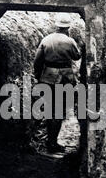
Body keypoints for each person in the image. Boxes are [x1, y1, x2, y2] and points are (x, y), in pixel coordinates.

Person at [33, 13, 82, 153]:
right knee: (59, 111)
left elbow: (37, 61)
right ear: (68, 27)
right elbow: (76, 56)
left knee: (49, 110)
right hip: (65, 80)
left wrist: (38, 76)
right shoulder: (70, 41)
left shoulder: (46, 40)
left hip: (47, 79)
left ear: (57, 26)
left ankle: (50, 142)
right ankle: (53, 143)